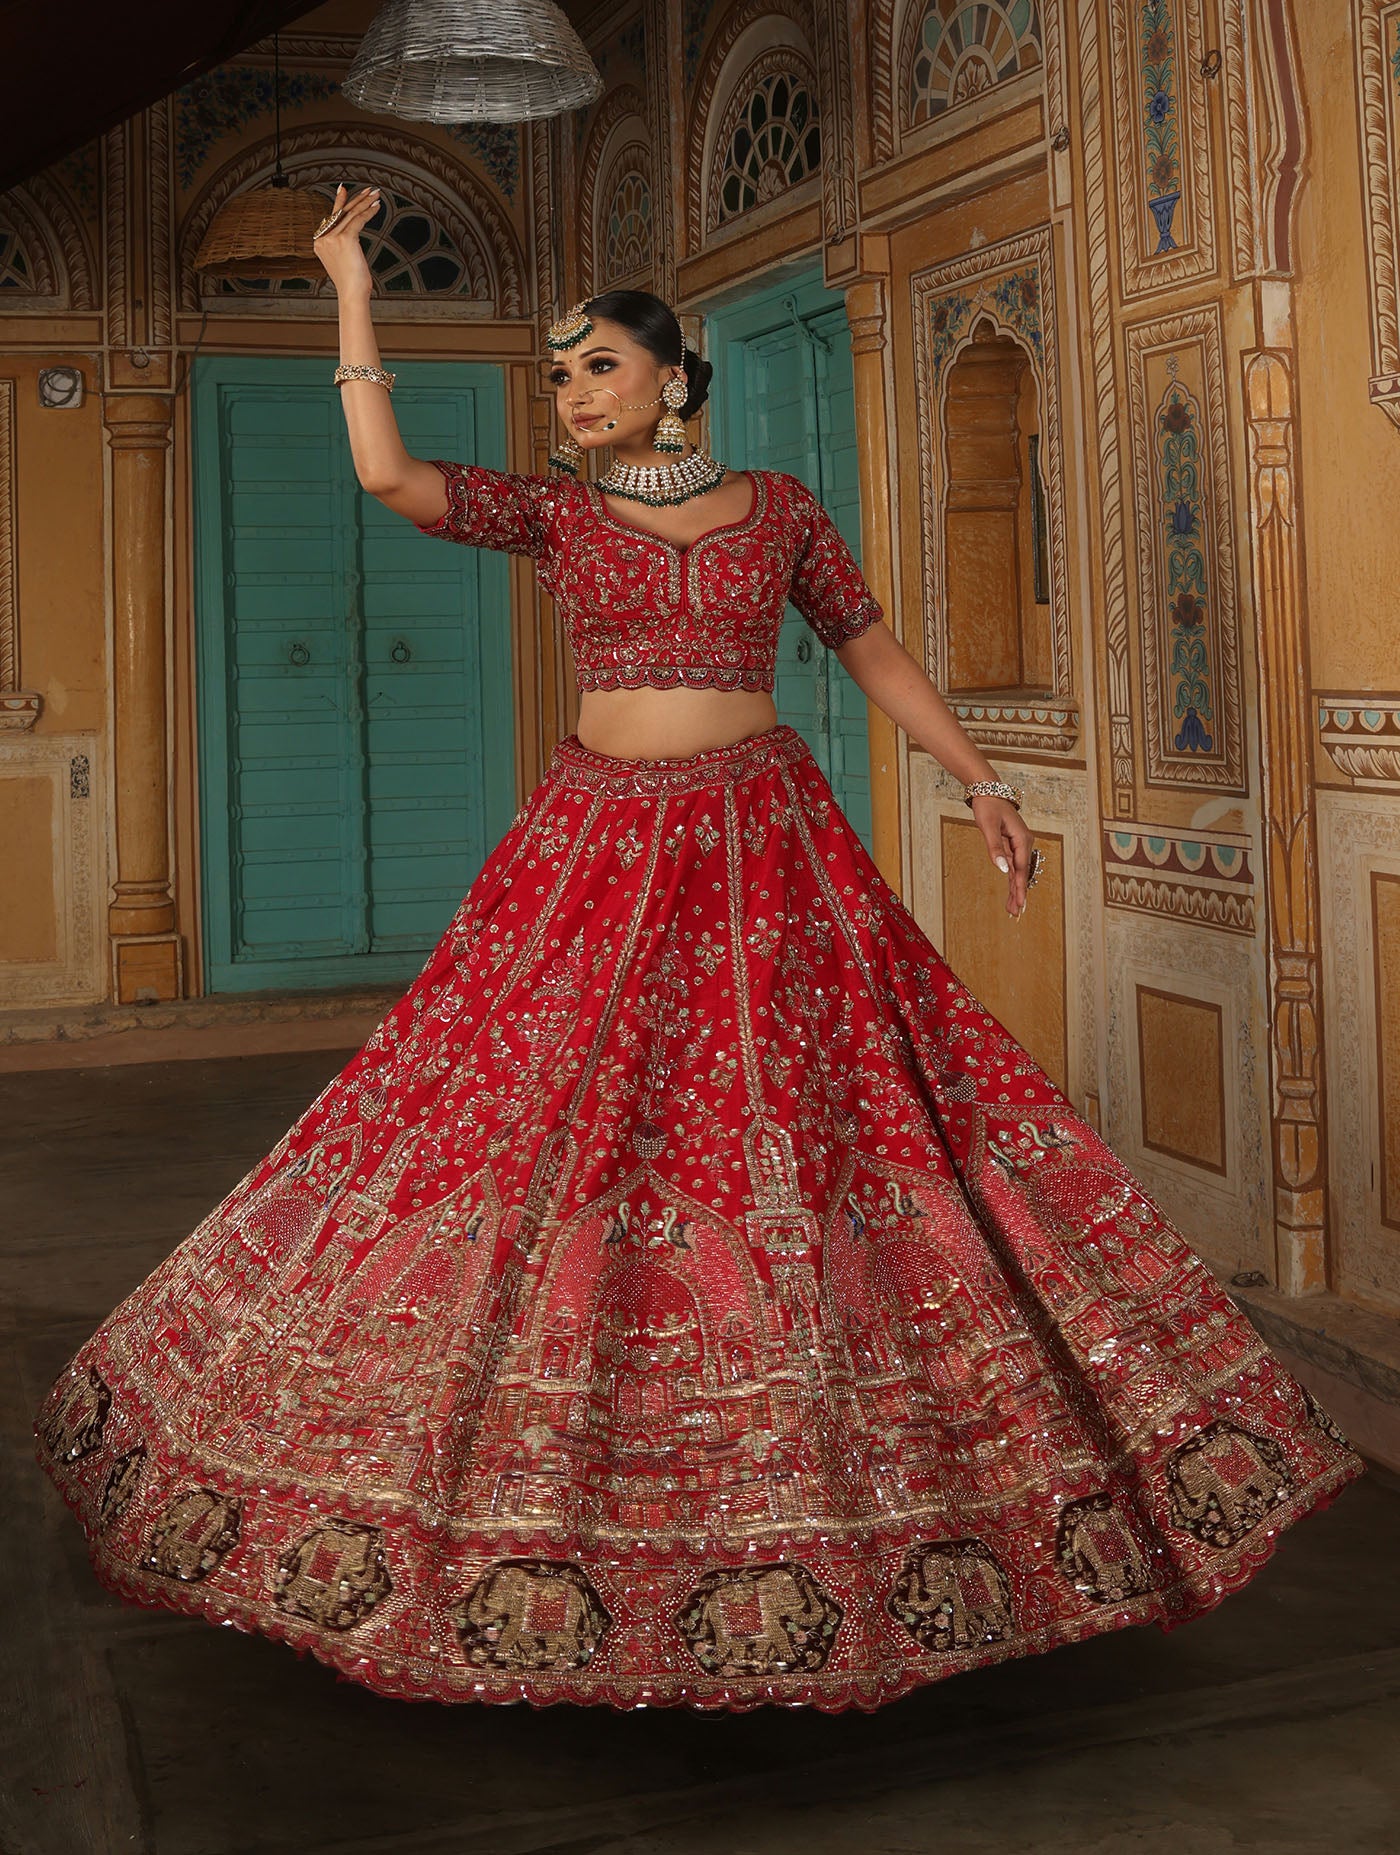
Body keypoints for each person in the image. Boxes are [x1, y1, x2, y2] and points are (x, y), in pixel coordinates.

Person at [33, 185, 1365, 1715]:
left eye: (599, 366)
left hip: (760, 844)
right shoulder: (555, 513)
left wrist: (981, 781)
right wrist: (350, 287)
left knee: (799, 1126)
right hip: (593, 850)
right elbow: (391, 476)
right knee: (528, 1125)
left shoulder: (781, 511)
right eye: (559, 376)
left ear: (675, 376)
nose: (575, 394)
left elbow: (871, 649)